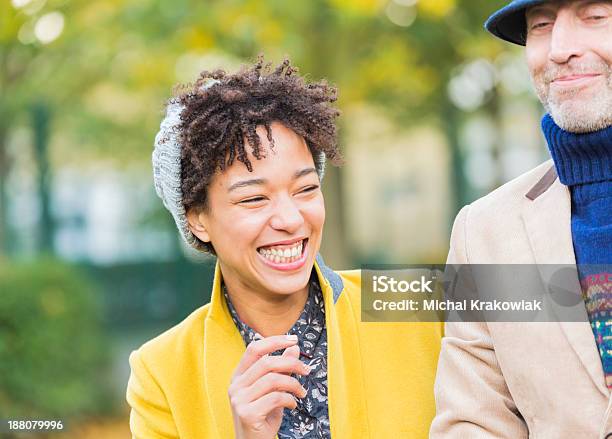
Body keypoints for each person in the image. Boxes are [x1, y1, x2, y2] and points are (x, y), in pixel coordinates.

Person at [126, 57, 442, 439]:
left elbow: (533, 294)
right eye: (254, 198)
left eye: (306, 189)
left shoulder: (420, 300)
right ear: (198, 219)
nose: (291, 219)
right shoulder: (161, 372)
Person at [431, 1, 612, 437]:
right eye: (542, 25)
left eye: (595, 17)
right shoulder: (484, 231)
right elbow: (474, 421)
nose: (559, 49)